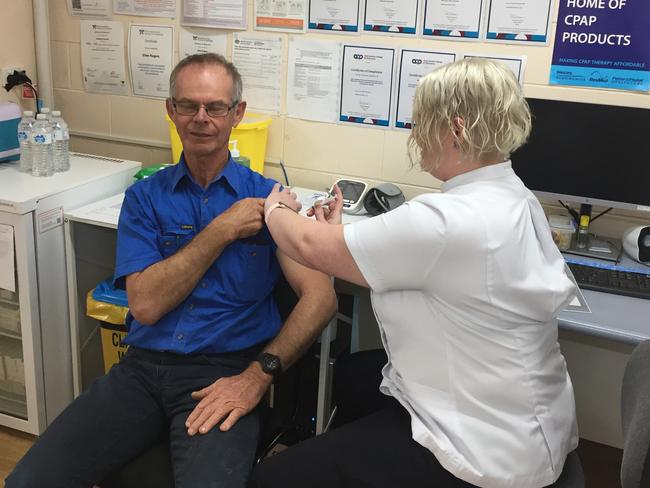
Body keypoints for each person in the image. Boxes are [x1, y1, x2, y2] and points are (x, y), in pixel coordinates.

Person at [5, 53, 337, 488]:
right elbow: (145, 305)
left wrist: (256, 378)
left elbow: (322, 298)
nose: (201, 118)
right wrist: (221, 229)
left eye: (215, 107)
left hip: (222, 374)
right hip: (140, 370)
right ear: (171, 111)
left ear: (237, 114)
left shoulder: (268, 201)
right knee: (28, 481)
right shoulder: (145, 198)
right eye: (188, 106)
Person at [251, 58, 579, 488]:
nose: (415, 135)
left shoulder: (448, 219)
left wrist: (276, 208)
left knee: (274, 480)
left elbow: (306, 245)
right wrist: (339, 239)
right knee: (353, 378)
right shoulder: (512, 195)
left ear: (456, 129)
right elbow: (418, 261)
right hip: (525, 416)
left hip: (483, 448)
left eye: (422, 123)